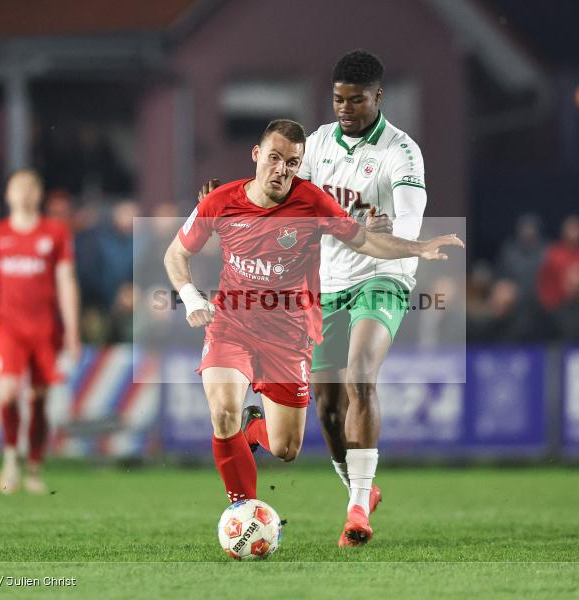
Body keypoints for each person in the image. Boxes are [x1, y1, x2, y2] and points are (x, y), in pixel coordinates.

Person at [168, 119, 463, 547]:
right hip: (232, 324)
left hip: (289, 335)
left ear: (300, 165)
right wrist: (192, 298)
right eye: (273, 158)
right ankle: (242, 510)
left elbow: (364, 240)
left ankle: (255, 431)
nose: (281, 170)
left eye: (291, 162)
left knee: (286, 448)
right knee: (223, 410)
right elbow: (176, 253)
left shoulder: (311, 202)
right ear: (256, 155)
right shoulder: (220, 200)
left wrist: (415, 247)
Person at [0, 169, 81, 495]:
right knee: (6, 394)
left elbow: (66, 281)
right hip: (9, 330)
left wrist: (72, 331)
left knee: (38, 400)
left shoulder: (56, 233)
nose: (25, 192)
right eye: (19, 186)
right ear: (8, 193)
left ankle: (34, 466)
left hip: (45, 331)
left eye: (31, 186)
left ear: (39, 193)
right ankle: (9, 461)